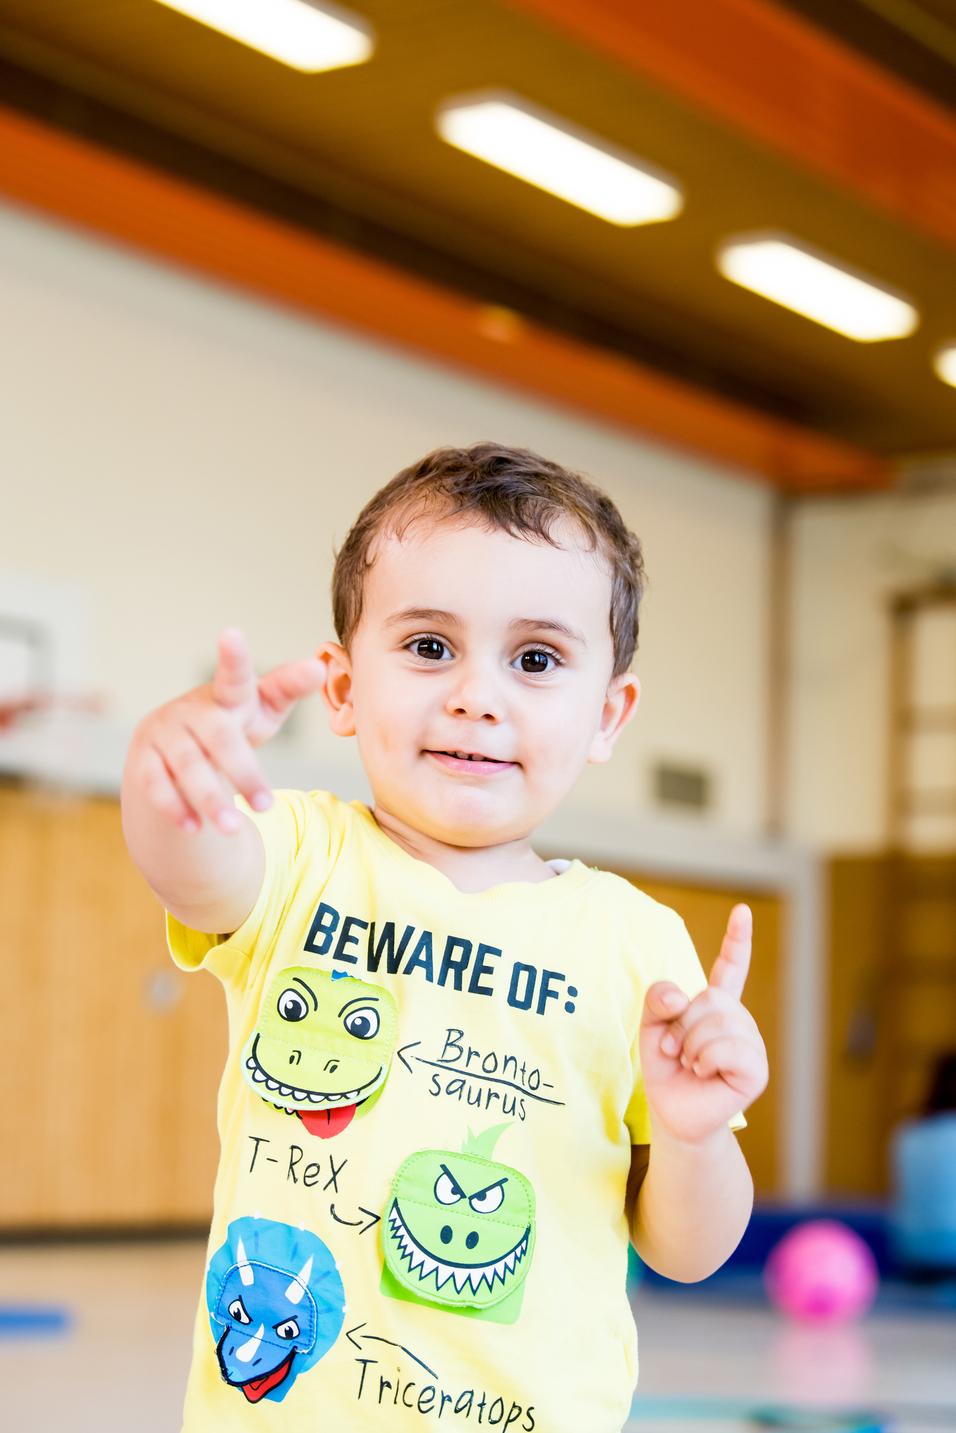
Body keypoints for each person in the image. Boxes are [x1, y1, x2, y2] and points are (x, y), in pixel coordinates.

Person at [121, 442, 769, 1431]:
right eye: (428, 646)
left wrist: (688, 1136)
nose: (476, 694)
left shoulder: (635, 946)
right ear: (340, 687)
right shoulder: (298, 856)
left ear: (606, 712)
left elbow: (686, 1250)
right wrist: (167, 766)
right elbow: (189, 863)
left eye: (535, 659)